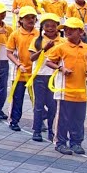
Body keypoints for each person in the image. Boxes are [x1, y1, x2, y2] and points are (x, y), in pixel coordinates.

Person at [44, 18, 87, 155]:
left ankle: (76, 143)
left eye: (71, 29)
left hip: (80, 92)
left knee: (78, 118)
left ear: (81, 32)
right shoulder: (61, 47)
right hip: (64, 91)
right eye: (66, 29)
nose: (67, 31)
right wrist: (61, 68)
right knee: (63, 118)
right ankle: (60, 143)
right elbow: (48, 62)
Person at [5, 6, 40, 134]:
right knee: (17, 97)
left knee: (37, 99)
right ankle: (14, 120)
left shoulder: (39, 34)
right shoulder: (15, 34)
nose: (31, 20)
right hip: (20, 72)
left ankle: (39, 121)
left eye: (33, 17)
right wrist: (18, 64)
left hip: (35, 72)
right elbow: (9, 52)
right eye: (27, 18)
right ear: (21, 20)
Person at [29, 13, 63, 142]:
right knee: (39, 105)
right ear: (42, 27)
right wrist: (44, 48)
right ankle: (37, 131)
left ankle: (51, 130)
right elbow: (32, 58)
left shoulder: (62, 41)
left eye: (53, 26)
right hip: (39, 76)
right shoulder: (37, 40)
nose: (50, 28)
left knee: (53, 106)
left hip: (54, 77)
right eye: (47, 26)